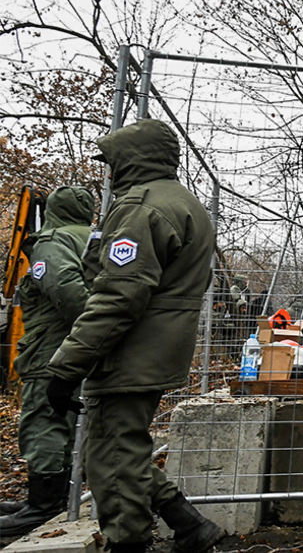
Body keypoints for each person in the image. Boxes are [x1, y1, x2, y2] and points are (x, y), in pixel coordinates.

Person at [43, 119, 223, 553]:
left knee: (111, 461)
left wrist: (67, 367)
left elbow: (118, 296)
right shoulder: (182, 202)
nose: (109, 172)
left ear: (133, 159)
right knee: (122, 449)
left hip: (129, 352)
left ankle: (130, 544)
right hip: (154, 350)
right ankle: (189, 524)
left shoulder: (143, 206)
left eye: (113, 162)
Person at [0, 187, 93, 535]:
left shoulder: (52, 242)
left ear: (52, 210)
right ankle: (47, 499)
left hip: (50, 351)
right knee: (66, 425)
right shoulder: (93, 239)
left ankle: (42, 506)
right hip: (80, 351)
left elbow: (69, 293)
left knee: (44, 424)